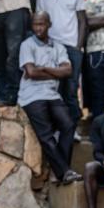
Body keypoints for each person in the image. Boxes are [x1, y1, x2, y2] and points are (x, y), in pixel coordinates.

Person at [18, 12, 82, 184]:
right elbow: (31, 72)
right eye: (35, 24)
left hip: (52, 95)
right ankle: (64, 171)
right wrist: (55, 72)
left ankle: (60, 171)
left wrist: (43, 69)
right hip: (31, 96)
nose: (38, 28)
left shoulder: (58, 47)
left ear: (49, 24)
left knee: (68, 125)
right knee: (46, 135)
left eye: (42, 24)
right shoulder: (27, 45)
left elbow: (67, 71)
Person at [36, 0, 86, 133]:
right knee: (53, 89)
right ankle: (58, 127)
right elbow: (39, 22)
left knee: (71, 89)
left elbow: (82, 21)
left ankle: (74, 129)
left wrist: (78, 46)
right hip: (52, 48)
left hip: (71, 47)